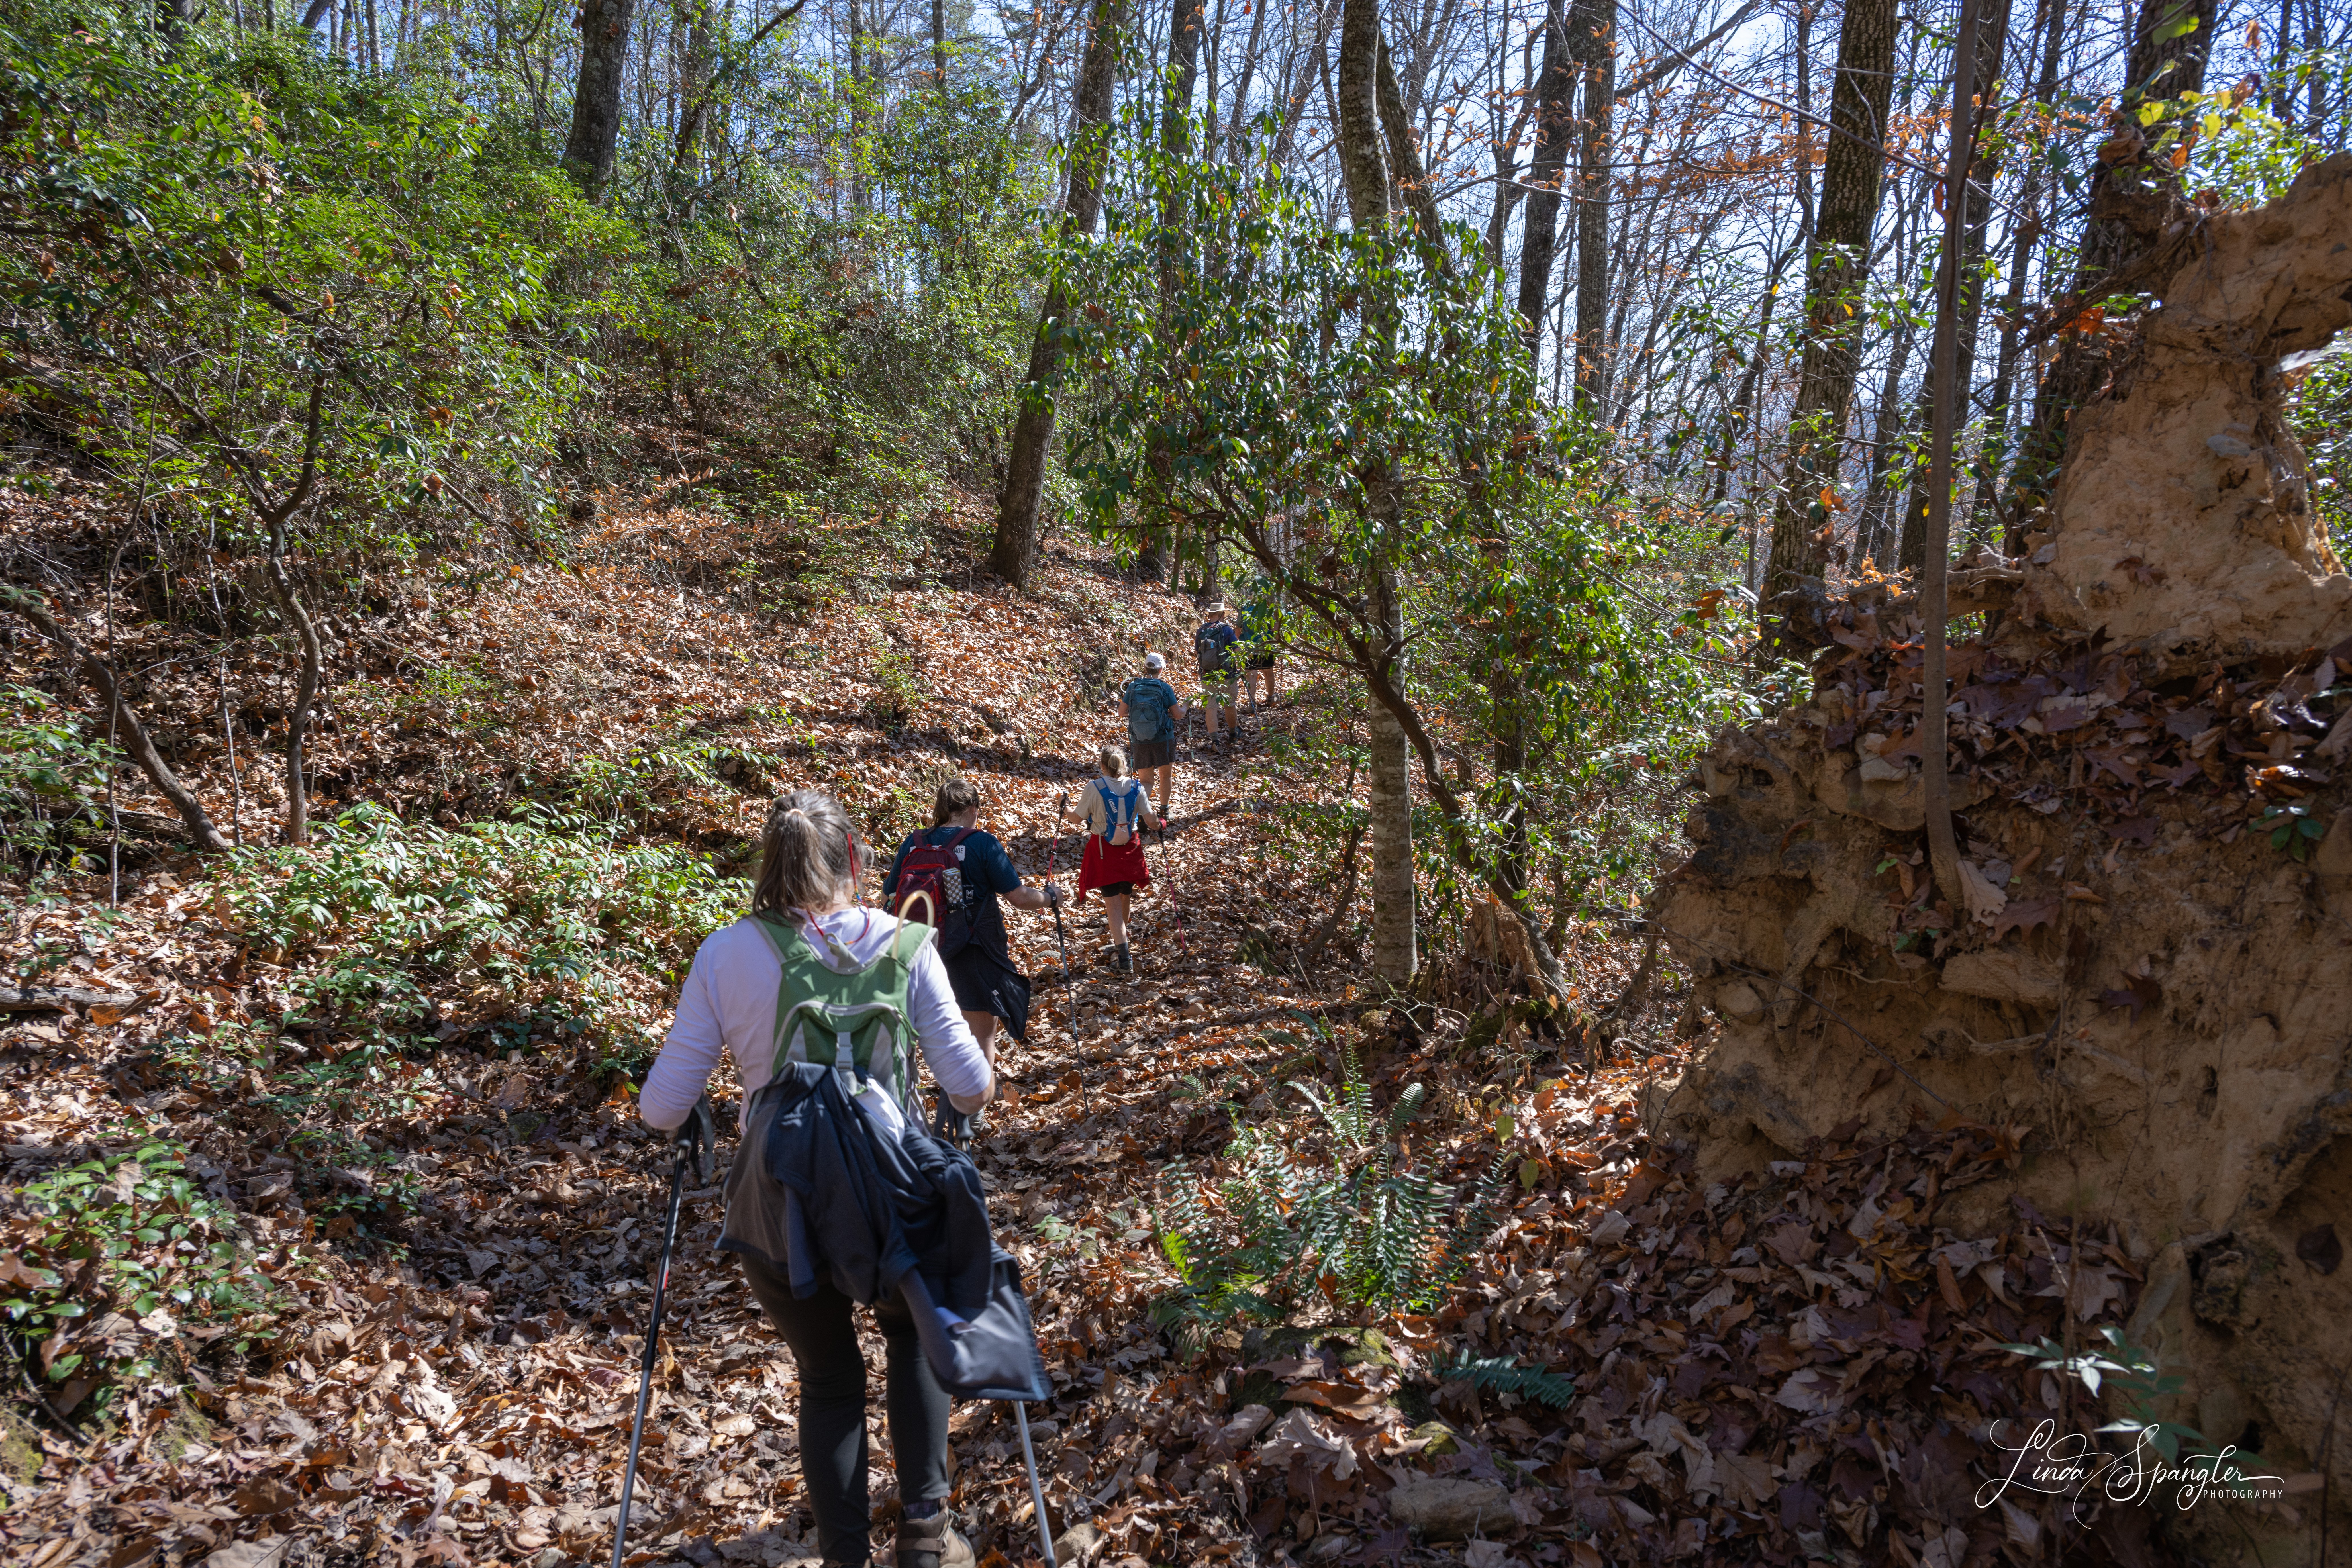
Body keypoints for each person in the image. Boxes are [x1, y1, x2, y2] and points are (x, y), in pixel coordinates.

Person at [640, 792, 990, 1568]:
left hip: (780, 1196)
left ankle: (845, 1557)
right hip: (895, 1189)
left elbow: (663, 1108)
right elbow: (972, 1084)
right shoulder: (908, 943)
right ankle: (927, 1538)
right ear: (857, 864)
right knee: (911, 1337)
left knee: (829, 1375)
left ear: (769, 867)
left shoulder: (725, 954)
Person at [883, 777, 1060, 1064]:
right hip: (972, 947)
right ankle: (973, 1105)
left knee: (939, 1031)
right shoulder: (983, 842)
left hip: (920, 950)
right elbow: (1019, 897)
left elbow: (889, 894)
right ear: (973, 807)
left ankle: (948, 1095)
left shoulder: (914, 842)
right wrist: (1051, 898)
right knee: (981, 1034)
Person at [1064, 744, 1163, 973]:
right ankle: (1123, 940)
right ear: (1124, 765)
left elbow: (1077, 820)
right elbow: (1151, 822)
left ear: (1102, 766)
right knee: (1125, 895)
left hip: (1103, 852)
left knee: (1113, 906)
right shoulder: (1137, 787)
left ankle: (1125, 955)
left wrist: (1066, 808)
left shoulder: (1094, 787)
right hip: (1130, 851)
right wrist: (1161, 825)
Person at [1119, 651, 1184, 817]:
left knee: (1146, 781)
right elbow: (1178, 715)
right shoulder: (1164, 688)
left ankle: (1141, 815)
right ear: (1161, 669)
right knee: (1165, 776)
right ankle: (1164, 810)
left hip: (1139, 739)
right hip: (1163, 738)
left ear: (1145, 667)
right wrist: (1188, 706)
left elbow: (1122, 712)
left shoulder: (1133, 686)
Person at [1194, 601, 1242, 747]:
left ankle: (1215, 741)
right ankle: (1233, 735)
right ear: (1222, 615)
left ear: (1210, 615)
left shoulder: (1201, 630)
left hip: (1207, 674)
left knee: (1212, 707)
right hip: (1226, 673)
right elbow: (1237, 651)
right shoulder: (1227, 630)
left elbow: (1198, 652)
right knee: (1229, 704)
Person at [1238, 587, 1279, 712]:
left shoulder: (1244, 609)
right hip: (1267, 646)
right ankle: (1271, 698)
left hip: (1250, 648)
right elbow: (1276, 629)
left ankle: (1252, 704)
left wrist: (1238, 647)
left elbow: (1238, 630)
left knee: (1252, 675)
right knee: (1268, 672)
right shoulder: (1268, 609)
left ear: (1250, 597)